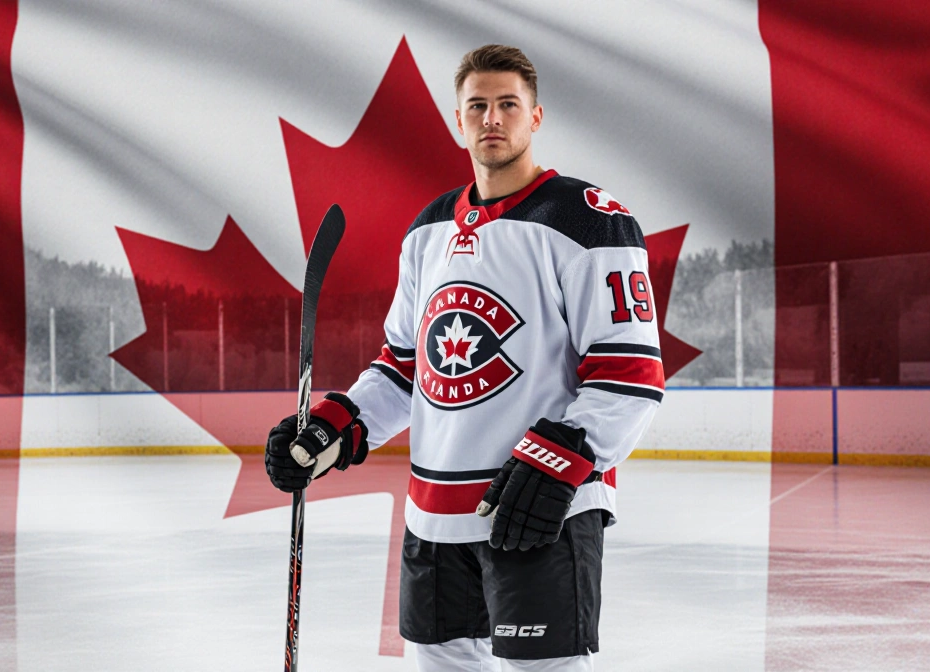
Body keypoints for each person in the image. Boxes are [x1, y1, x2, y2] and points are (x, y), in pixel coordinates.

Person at [265, 44, 663, 671]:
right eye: (477, 106)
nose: (492, 118)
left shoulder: (589, 220)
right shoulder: (427, 230)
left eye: (508, 104)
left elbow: (630, 374)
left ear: (536, 117)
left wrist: (564, 459)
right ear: (458, 120)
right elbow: (405, 367)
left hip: (536, 509)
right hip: (433, 519)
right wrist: (338, 427)